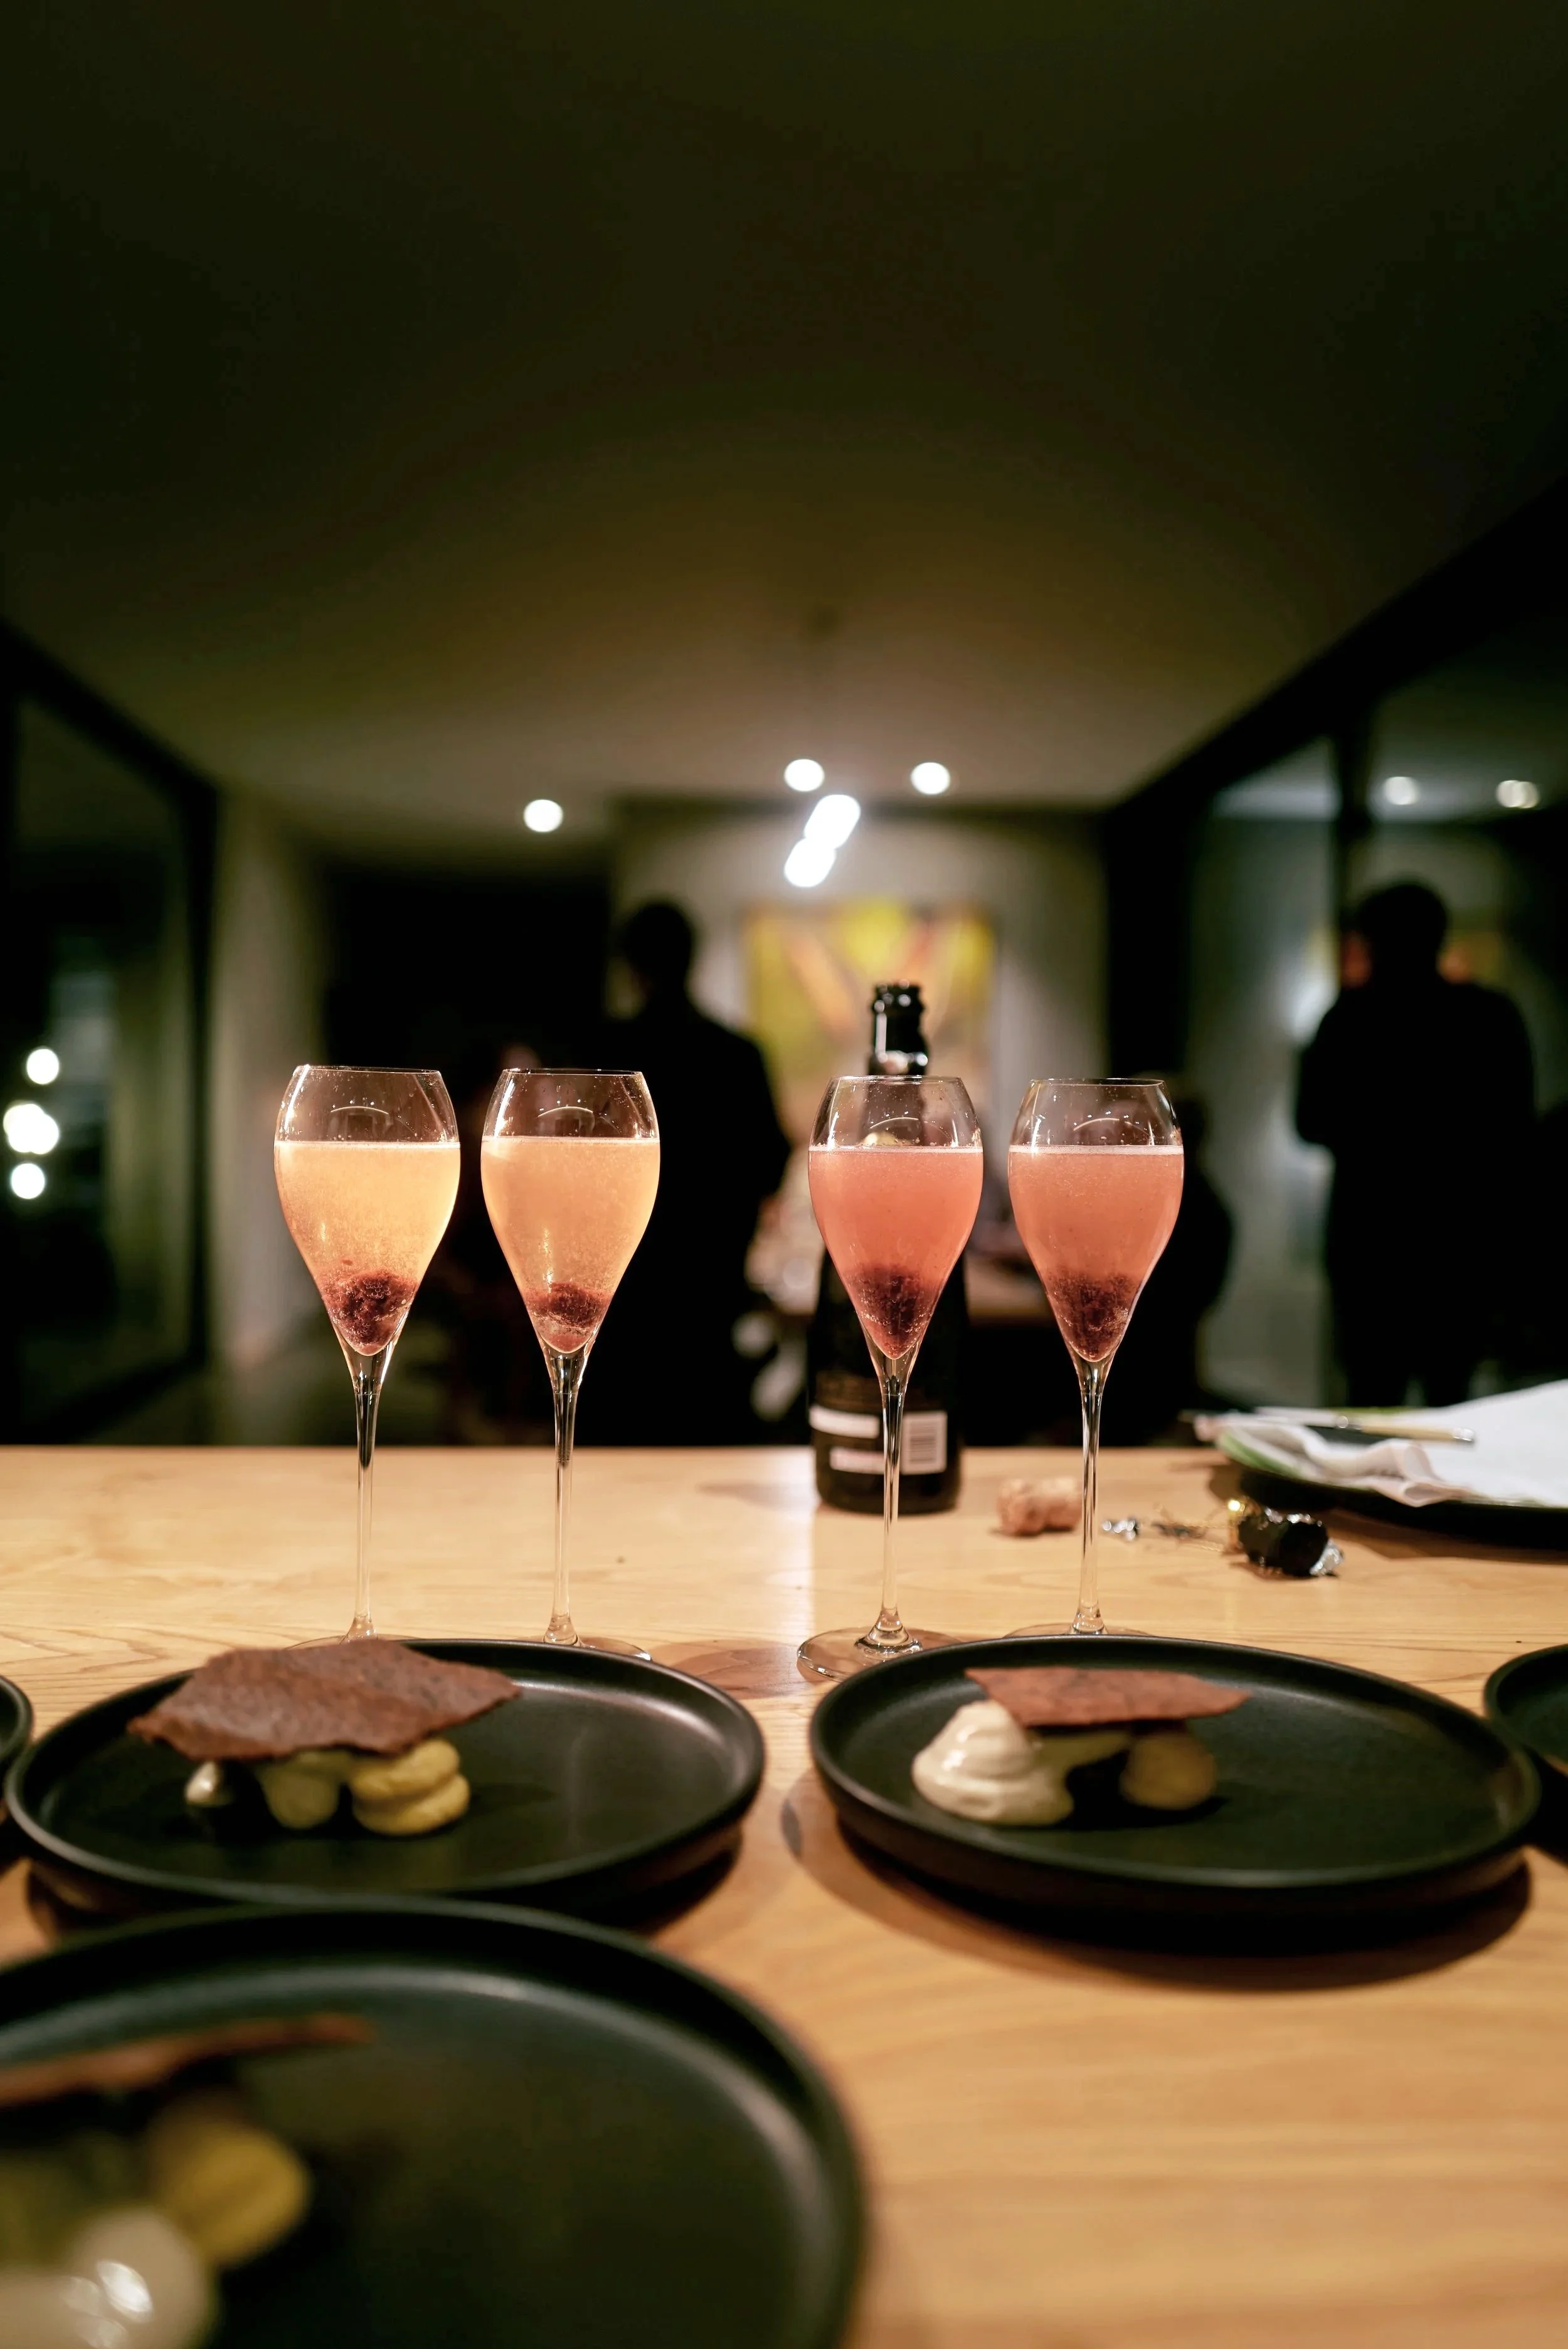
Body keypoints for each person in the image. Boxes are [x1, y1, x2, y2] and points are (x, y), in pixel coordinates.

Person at [1295, 881, 1534, 1405]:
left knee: (1372, 1398)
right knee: (1453, 1395)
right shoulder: (1489, 1017)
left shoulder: (1348, 1020)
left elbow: (1309, 1122)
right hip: (1458, 1239)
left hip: (1373, 1240)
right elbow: (1516, 1130)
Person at [580, 901, 792, 1443]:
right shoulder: (739, 1054)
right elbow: (772, 1159)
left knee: (616, 1444)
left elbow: (573, 1168)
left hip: (621, 1294)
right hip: (710, 1288)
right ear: (692, 960)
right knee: (705, 1435)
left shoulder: (601, 1053)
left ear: (630, 966)